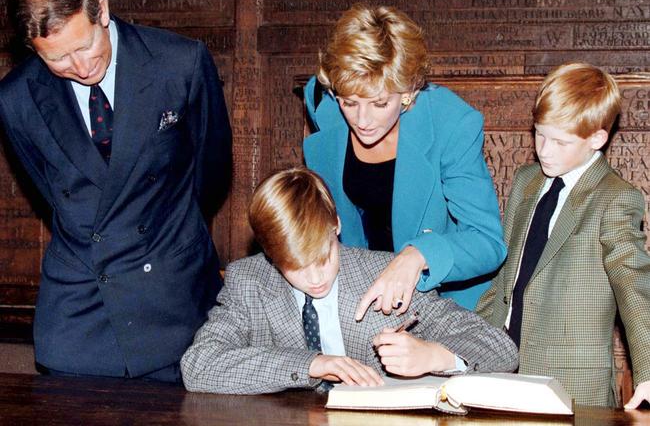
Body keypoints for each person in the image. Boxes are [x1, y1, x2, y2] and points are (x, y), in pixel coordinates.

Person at [0, 0, 231, 381]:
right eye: (59, 60)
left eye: (85, 45)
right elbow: (49, 189)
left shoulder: (179, 63)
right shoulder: (16, 99)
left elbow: (212, 172)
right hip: (81, 306)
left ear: (101, 10)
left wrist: (165, 233)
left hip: (171, 294)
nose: (82, 67)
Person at [180, 167, 517, 394]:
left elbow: (501, 349)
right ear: (270, 254)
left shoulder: (386, 276)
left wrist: (435, 356)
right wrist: (311, 364)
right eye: (294, 267)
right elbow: (198, 365)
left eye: (323, 257)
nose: (314, 278)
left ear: (336, 225)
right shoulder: (248, 282)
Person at [302, 4, 506, 316]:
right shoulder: (327, 108)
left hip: (445, 302)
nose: (363, 120)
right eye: (350, 102)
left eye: (380, 103)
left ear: (408, 91)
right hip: (360, 294)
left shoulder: (450, 124)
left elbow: (488, 241)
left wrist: (418, 255)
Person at [476, 63, 650, 408]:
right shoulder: (527, 180)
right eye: (539, 134)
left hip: (573, 385)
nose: (545, 150)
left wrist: (647, 371)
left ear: (597, 139)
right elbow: (504, 277)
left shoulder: (615, 197)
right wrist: (469, 344)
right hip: (500, 369)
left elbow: (633, 282)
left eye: (560, 141)